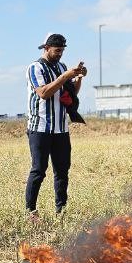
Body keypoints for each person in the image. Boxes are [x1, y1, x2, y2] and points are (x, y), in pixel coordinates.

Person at [24, 33, 86, 223]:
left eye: (62, 51)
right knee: (39, 169)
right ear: (46, 48)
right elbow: (44, 93)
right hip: (40, 127)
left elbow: (70, 93)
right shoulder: (35, 67)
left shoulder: (61, 67)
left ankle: (61, 211)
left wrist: (78, 78)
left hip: (60, 129)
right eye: (57, 51)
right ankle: (31, 212)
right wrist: (64, 76)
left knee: (62, 170)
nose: (60, 54)